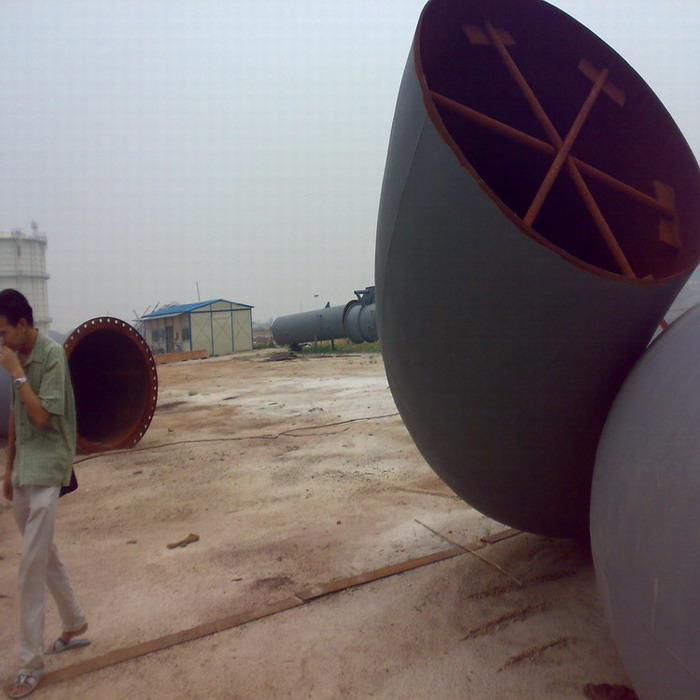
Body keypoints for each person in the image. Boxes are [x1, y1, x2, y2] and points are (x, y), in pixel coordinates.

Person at [0, 289, 89, 699]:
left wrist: (17, 373)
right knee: (44, 551)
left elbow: (39, 416)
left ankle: (28, 665)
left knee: (31, 566)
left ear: (23, 324)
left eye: (3, 332)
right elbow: (16, 415)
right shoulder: (16, 356)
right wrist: (9, 468)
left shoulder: (50, 356)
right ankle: (74, 623)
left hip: (50, 461)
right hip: (25, 467)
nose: (1, 341)